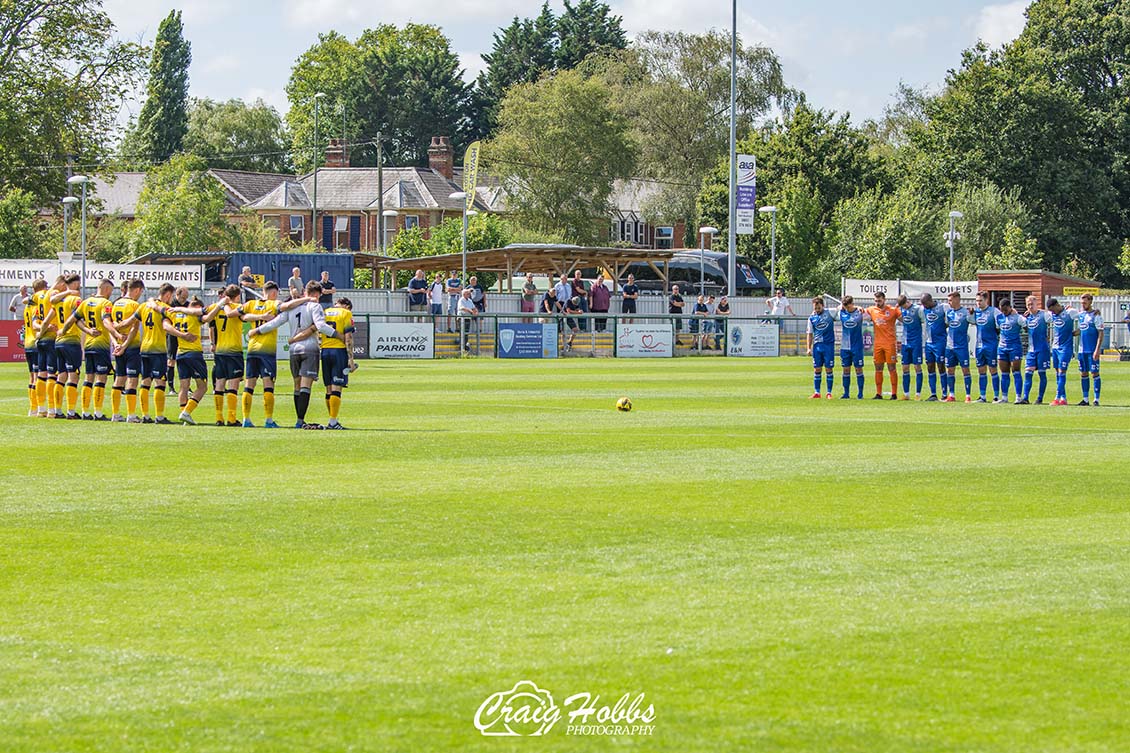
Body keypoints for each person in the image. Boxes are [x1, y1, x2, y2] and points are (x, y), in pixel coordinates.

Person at [250, 282, 333, 429]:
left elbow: (275, 323)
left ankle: (298, 421)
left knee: (296, 385)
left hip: (294, 350)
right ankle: (300, 420)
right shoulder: (315, 306)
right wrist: (337, 335)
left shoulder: (293, 307)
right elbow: (320, 326)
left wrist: (257, 331)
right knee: (306, 386)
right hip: (310, 348)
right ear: (316, 294)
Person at [116, 282, 194, 424]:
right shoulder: (165, 308)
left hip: (144, 348)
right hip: (158, 349)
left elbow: (129, 323)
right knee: (160, 382)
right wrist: (182, 335)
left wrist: (116, 327)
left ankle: (145, 415)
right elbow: (166, 326)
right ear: (168, 295)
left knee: (145, 382)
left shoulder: (143, 306)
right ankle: (159, 416)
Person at [60, 279, 118, 420]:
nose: (110, 293)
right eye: (110, 290)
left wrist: (64, 331)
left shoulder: (86, 302)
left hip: (89, 345)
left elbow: (72, 319)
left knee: (88, 378)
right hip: (101, 345)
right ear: (105, 289)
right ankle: (97, 413)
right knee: (101, 378)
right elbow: (106, 321)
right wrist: (116, 334)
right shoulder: (106, 303)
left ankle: (86, 412)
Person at [239, 281, 283, 427]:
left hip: (252, 349)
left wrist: (257, 317)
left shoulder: (251, 304)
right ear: (273, 293)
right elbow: (286, 308)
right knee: (268, 384)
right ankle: (269, 420)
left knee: (249, 384)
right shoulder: (273, 304)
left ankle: (246, 419)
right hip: (267, 350)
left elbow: (241, 315)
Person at [203, 284, 246, 426]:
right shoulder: (238, 307)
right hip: (234, 351)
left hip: (220, 351)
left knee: (220, 383)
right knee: (233, 384)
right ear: (238, 296)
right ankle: (231, 418)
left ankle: (218, 418)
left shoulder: (216, 307)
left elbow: (205, 316)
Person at [44, 275, 84, 418]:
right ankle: (71, 412)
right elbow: (77, 319)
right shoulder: (75, 300)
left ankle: (57, 410)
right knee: (73, 376)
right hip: (71, 340)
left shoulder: (59, 300)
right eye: (78, 283)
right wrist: (88, 330)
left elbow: (52, 301)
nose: (79, 286)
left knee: (61, 375)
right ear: (74, 283)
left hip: (58, 342)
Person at [110, 279, 145, 422]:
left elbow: (110, 327)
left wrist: (116, 344)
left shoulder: (115, 304)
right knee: (132, 379)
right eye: (140, 292)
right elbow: (134, 328)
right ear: (137, 290)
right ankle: (131, 415)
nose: (140, 295)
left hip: (118, 346)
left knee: (119, 379)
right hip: (131, 346)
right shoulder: (134, 305)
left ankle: (115, 414)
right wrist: (124, 346)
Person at [319, 298, 356, 429]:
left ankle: (332, 420)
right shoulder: (346, 313)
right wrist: (351, 359)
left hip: (324, 351)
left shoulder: (325, 311)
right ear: (346, 306)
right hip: (338, 351)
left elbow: (319, 332)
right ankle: (333, 422)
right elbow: (348, 337)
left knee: (328, 388)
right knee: (337, 386)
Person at [1018, 294, 1053, 405]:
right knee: (1028, 373)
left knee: (1042, 374)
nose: (1030, 306)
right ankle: (1025, 397)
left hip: (1042, 349)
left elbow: (1056, 316)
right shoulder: (1027, 317)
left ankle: (1039, 398)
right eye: (1028, 304)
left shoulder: (1044, 315)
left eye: (1032, 304)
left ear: (1036, 304)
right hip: (1031, 350)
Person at [864, 291, 899, 400]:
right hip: (878, 343)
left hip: (890, 343)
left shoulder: (893, 310)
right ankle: (878, 393)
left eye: (879, 301)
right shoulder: (871, 310)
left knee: (891, 367)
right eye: (876, 301)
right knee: (878, 368)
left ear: (884, 299)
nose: (877, 303)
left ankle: (894, 394)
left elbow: (904, 317)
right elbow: (859, 311)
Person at [942, 291, 974, 403]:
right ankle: (951, 395)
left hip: (962, 347)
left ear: (957, 299)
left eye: (950, 300)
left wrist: (972, 314)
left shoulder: (965, 312)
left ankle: (968, 395)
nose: (948, 302)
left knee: (965, 370)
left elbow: (974, 321)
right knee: (950, 370)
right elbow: (946, 324)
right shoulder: (948, 313)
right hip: (949, 347)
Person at [972, 291, 1002, 403]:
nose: (978, 303)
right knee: (981, 370)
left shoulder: (994, 311)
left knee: (993, 369)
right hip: (979, 346)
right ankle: (982, 396)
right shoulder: (975, 312)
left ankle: (996, 396)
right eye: (977, 301)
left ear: (986, 300)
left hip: (991, 345)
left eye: (980, 301)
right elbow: (970, 321)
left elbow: (1000, 325)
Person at [1048, 299, 1077, 406]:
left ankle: (1057, 398)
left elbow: (1085, 319)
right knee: (1058, 373)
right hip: (1055, 347)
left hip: (1065, 348)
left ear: (1057, 305)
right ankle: (1063, 398)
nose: (1052, 313)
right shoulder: (1052, 314)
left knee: (1062, 372)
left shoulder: (1070, 312)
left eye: (1053, 310)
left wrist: (1078, 331)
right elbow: (1041, 314)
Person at [1076, 293, 1104, 406]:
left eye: (1085, 302)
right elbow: (1081, 329)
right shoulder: (1081, 315)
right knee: (1083, 373)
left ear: (1090, 302)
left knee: (1095, 373)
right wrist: (1072, 333)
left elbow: (1100, 333)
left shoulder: (1096, 316)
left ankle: (1096, 399)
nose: (1083, 304)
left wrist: (1097, 350)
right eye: (1082, 302)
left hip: (1092, 350)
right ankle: (1085, 399)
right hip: (1081, 350)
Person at [920, 293, 949, 401]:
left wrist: (944, 326)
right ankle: (933, 394)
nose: (924, 305)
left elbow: (949, 320)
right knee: (930, 366)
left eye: (925, 303)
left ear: (930, 300)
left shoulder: (942, 307)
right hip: (928, 343)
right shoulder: (923, 310)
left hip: (940, 342)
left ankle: (944, 393)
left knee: (941, 366)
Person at [995, 299, 1024, 404]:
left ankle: (1018, 397)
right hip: (1002, 347)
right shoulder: (999, 318)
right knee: (1004, 373)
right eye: (1002, 310)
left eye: (1005, 310)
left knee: (1016, 371)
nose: (1004, 312)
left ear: (1010, 307)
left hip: (1014, 347)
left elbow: (1027, 327)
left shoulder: (1018, 318)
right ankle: (1004, 397)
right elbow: (998, 329)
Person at [807, 297, 836, 398]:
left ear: (823, 306)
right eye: (815, 308)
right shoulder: (811, 318)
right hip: (817, 346)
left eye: (819, 308)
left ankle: (829, 393)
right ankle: (817, 392)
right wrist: (809, 348)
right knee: (817, 369)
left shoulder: (830, 312)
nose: (817, 310)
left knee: (829, 369)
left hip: (828, 345)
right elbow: (810, 333)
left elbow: (841, 308)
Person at [837, 296, 866, 399]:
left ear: (851, 304)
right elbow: (837, 308)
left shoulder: (860, 313)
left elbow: (869, 314)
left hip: (857, 347)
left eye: (847, 306)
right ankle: (846, 393)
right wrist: (841, 306)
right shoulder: (841, 312)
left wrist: (859, 307)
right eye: (844, 306)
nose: (846, 308)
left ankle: (860, 393)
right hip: (845, 347)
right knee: (846, 370)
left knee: (858, 369)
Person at [897, 294, 924, 400]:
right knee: (905, 367)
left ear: (907, 302)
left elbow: (923, 321)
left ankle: (918, 394)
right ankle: (906, 394)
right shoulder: (900, 310)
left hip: (916, 342)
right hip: (905, 342)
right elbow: (900, 319)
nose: (903, 308)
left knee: (917, 367)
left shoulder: (918, 309)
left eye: (903, 306)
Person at [21, 288, 39, 416]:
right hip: (35, 343)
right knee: (38, 376)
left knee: (32, 376)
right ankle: (37, 407)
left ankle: (32, 408)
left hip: (27, 343)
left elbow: (24, 300)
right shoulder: (35, 308)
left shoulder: (27, 307)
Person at [456, 288, 478, 352]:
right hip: (462, 318)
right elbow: (462, 308)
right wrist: (470, 311)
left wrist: (476, 311)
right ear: (464, 294)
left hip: (468, 318)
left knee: (466, 333)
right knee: (462, 332)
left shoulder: (469, 300)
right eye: (467, 293)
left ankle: (464, 346)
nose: (469, 294)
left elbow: (473, 307)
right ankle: (461, 346)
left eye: (469, 293)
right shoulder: (461, 300)